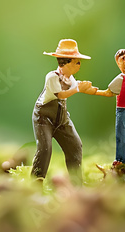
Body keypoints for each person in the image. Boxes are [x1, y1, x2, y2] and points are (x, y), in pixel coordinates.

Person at [31, 39, 94, 183]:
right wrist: (78, 89)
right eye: (77, 62)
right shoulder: (52, 77)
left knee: (75, 145)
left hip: (61, 118)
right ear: (65, 62)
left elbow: (80, 87)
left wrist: (105, 92)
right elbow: (60, 95)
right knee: (45, 148)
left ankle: (76, 181)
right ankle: (36, 181)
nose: (79, 66)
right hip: (44, 117)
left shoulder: (70, 79)